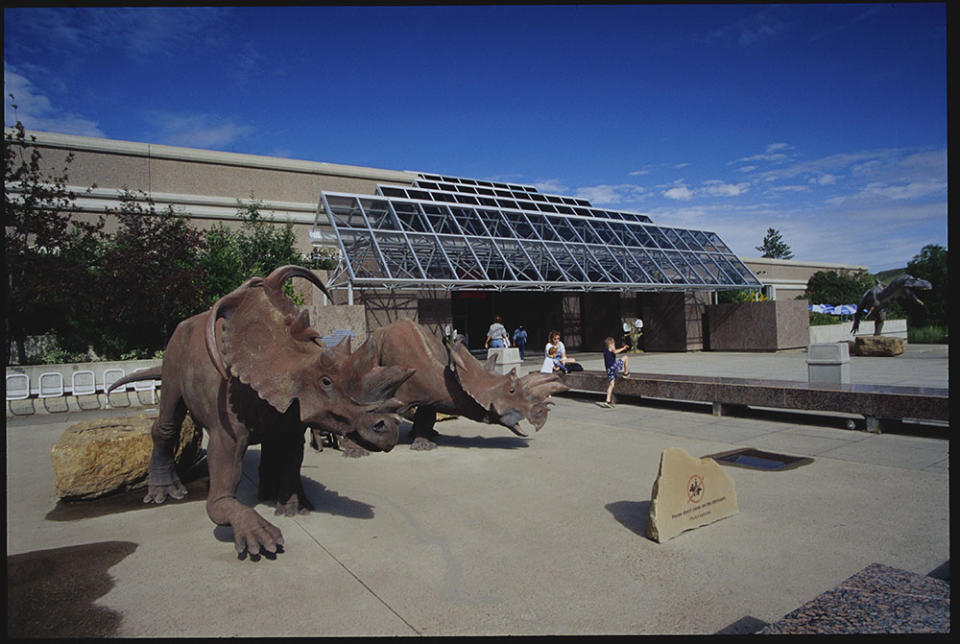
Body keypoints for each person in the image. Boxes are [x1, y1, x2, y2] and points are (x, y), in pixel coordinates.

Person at [597, 336, 629, 408]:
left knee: (611, 384)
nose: (614, 346)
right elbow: (615, 351)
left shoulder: (605, 350)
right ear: (611, 344)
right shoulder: (611, 348)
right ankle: (626, 373)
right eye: (614, 344)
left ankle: (607, 401)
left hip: (608, 369)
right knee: (625, 357)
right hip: (613, 367)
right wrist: (623, 348)